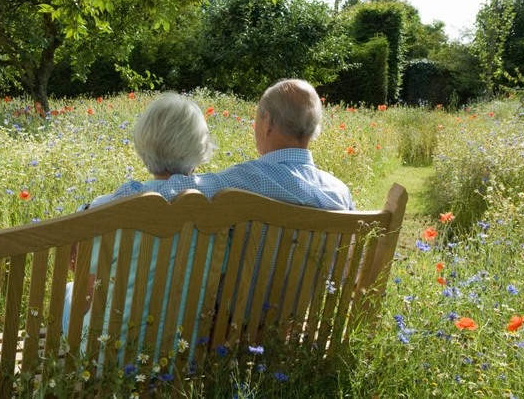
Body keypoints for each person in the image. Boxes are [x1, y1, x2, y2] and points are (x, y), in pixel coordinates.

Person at [62, 93, 216, 360]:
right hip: (184, 358)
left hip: (107, 363)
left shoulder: (98, 212)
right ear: (199, 150)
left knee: (68, 293)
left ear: (142, 146)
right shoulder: (220, 211)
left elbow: (85, 303)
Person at [109, 79, 355, 210]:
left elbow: (164, 191)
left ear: (267, 122)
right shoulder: (340, 193)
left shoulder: (242, 182)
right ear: (314, 128)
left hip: (245, 306)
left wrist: (93, 207)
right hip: (306, 306)